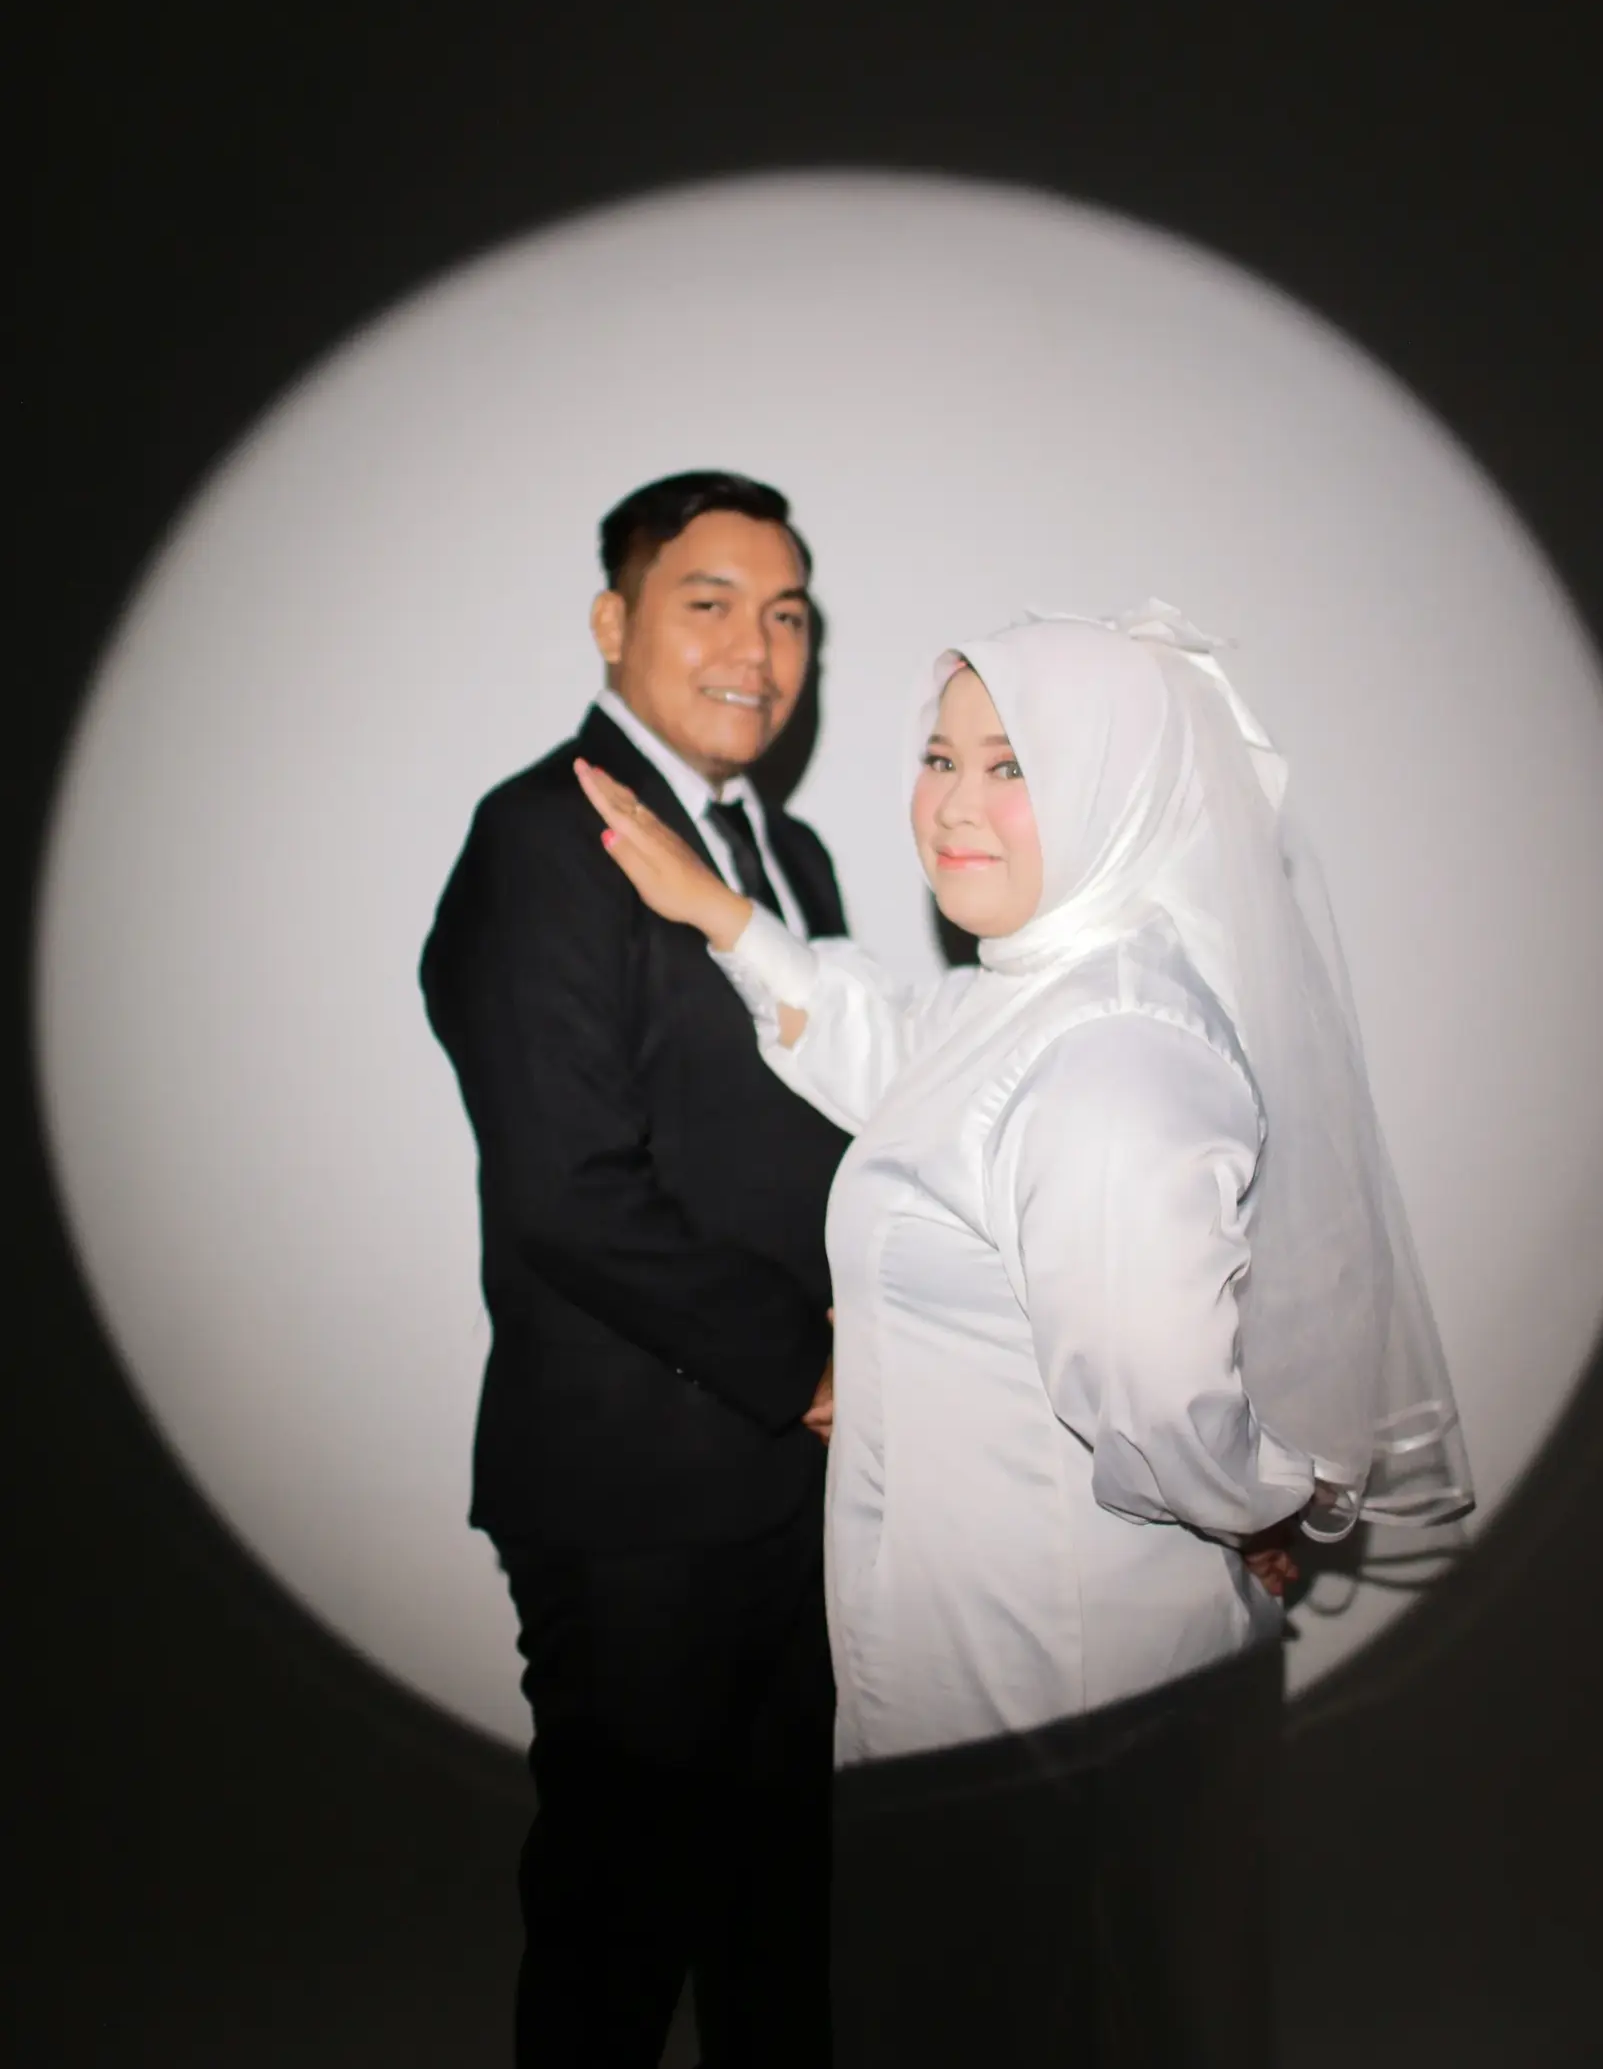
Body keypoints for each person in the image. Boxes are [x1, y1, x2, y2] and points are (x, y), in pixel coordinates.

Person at [576, 602, 1472, 1766]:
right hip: (979, 1656)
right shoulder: (1024, 993)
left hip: (1061, 1692)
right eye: (940, 758)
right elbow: (896, 1049)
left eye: (1011, 766)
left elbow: (1165, 1411)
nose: (953, 803)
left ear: (1116, 793)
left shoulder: (1115, 1056)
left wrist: (1253, 1502)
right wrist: (718, 908)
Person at [420, 471, 849, 2069]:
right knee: (618, 1941)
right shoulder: (538, 836)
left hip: (806, 1488)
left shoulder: (792, 855)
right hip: (633, 1498)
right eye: (709, 601)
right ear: (614, 622)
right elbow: (568, 1193)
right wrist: (809, 1368)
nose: (758, 646)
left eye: (788, 614)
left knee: (786, 1929)